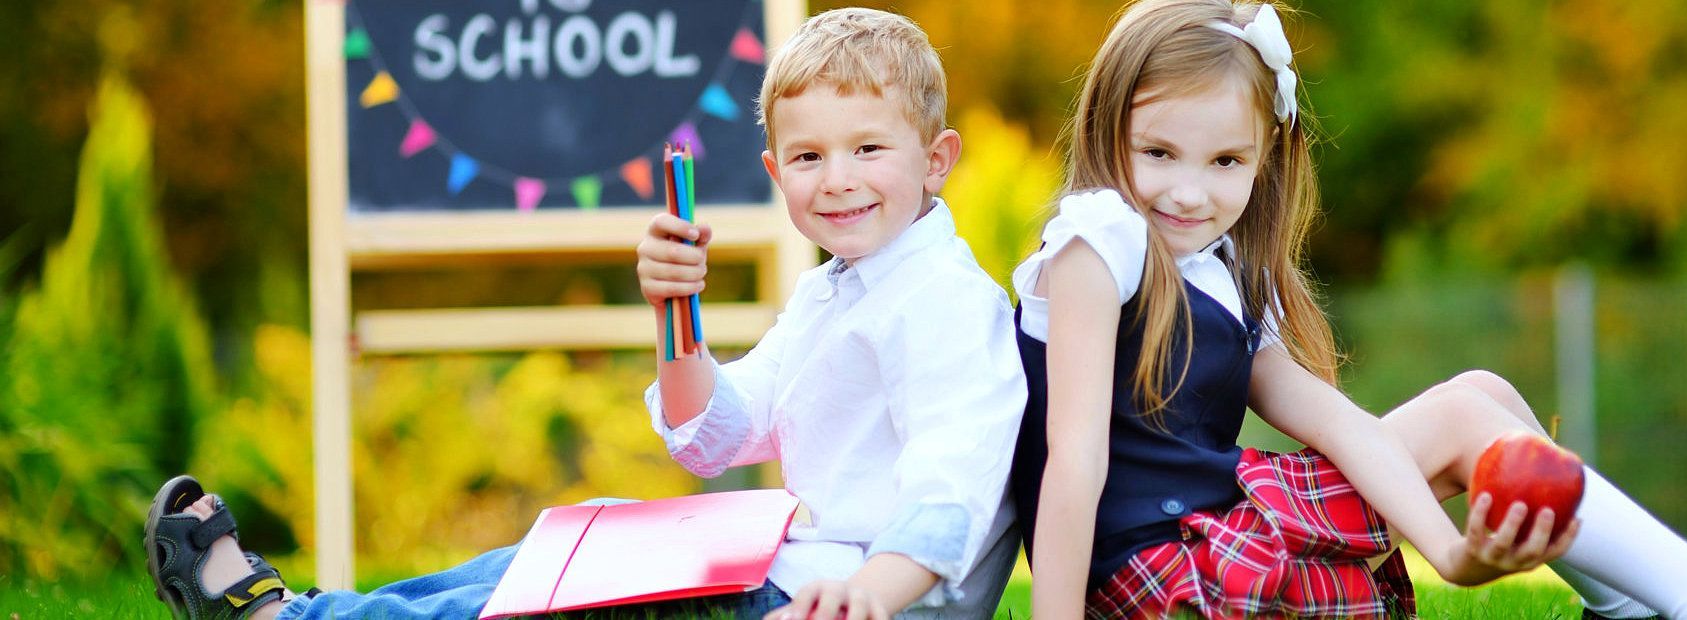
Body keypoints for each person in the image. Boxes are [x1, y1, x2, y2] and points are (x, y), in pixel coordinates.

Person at [142, 8, 1026, 619]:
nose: (836, 178)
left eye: (867, 148)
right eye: (807, 156)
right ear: (773, 172)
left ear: (937, 159)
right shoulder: (833, 289)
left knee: (546, 598)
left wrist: (875, 590)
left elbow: (955, 482)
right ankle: (299, 611)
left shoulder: (944, 301)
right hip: (784, 566)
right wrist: (673, 311)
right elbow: (716, 437)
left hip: (844, 599)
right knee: (536, 561)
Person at [1007, 1, 1687, 618]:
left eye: (1226, 160)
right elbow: (1073, 459)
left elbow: (1339, 424)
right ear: (1107, 129)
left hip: (1206, 543)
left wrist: (1450, 550)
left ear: (1265, 161)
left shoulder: (1220, 275)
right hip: (1153, 579)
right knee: (1471, 415)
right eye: (1159, 153)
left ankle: (1629, 609)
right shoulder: (1097, 242)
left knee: (1486, 396)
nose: (1190, 190)